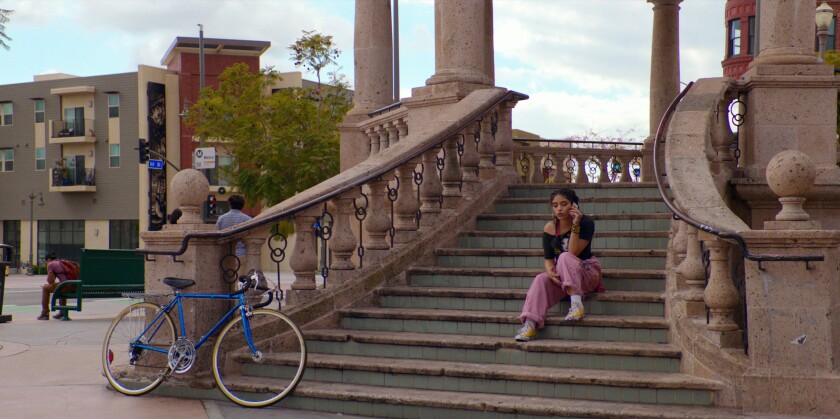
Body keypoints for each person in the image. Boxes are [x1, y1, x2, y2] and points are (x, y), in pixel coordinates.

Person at [515, 188, 604, 342]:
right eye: (555, 205)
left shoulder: (586, 223)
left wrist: (575, 224)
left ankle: (576, 304)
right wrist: (550, 272)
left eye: (564, 204)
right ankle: (530, 324)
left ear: (574, 205)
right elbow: (549, 259)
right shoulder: (550, 228)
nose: (559, 209)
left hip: (587, 273)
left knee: (564, 257)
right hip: (563, 275)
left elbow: (573, 252)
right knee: (540, 279)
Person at [38, 252, 70, 320]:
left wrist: (48, 268)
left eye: (46, 261)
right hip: (75, 285)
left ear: (49, 260)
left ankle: (45, 313)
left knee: (45, 288)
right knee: (61, 286)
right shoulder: (63, 262)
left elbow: (50, 281)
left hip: (66, 285)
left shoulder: (51, 264)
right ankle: (62, 312)